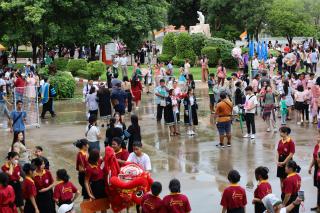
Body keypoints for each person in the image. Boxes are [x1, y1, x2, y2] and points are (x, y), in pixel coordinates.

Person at [309, 135, 320, 212]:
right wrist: (310, 166)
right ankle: (318, 205)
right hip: (317, 167)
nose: (317, 138)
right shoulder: (316, 146)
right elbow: (314, 157)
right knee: (318, 187)